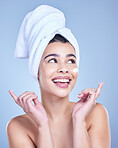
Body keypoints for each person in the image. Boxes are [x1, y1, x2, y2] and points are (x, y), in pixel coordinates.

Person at [7, 5, 111, 148]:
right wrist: (42, 125)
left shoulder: (96, 114)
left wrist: (79, 121)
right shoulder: (18, 127)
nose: (64, 69)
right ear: (36, 71)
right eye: (53, 60)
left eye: (71, 61)